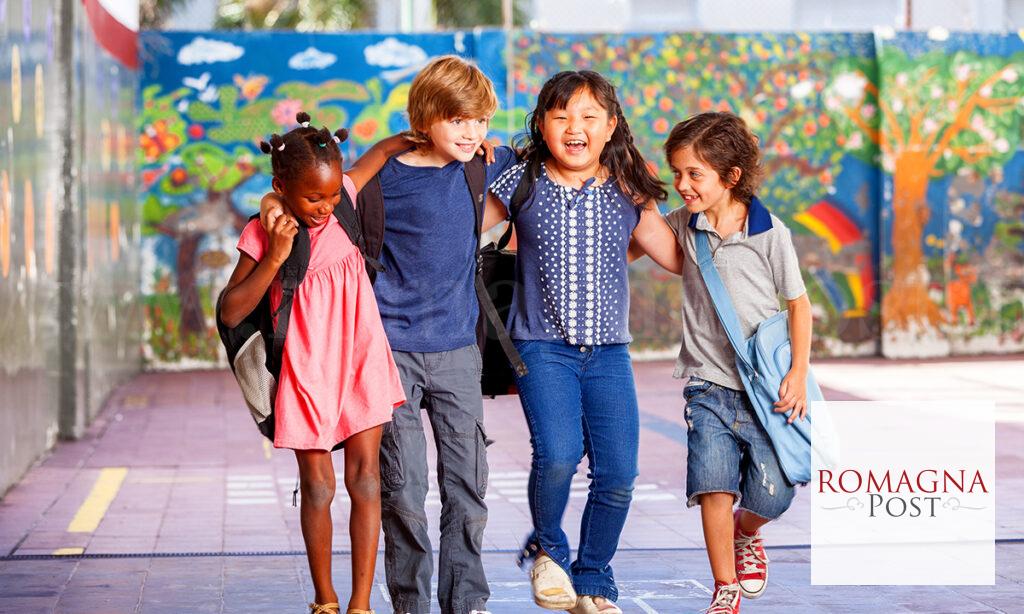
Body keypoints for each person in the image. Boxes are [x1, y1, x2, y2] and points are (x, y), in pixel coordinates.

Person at [262, 55, 516, 614]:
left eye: (479, 120)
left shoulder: (478, 165)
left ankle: (466, 599)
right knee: (404, 493)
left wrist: (489, 146)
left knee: (468, 490)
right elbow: (300, 198)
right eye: (459, 120)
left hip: (456, 351)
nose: (472, 132)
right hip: (389, 353)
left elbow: (535, 156)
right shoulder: (383, 181)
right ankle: (411, 604)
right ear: (426, 118)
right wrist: (269, 202)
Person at [487, 70, 680, 614]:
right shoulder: (520, 180)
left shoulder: (628, 187)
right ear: (542, 126)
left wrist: (722, 209)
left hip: (609, 352)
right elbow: (456, 225)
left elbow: (673, 256)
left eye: (590, 116)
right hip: (540, 346)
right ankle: (549, 551)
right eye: (561, 116)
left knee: (618, 473)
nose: (576, 127)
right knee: (558, 455)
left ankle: (593, 579)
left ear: (611, 125)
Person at [219, 112, 406, 614]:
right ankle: (325, 600)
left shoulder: (341, 195)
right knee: (319, 485)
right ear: (280, 185)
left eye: (330, 196)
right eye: (312, 198)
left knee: (367, 480)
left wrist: (429, 136)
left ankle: (361, 604)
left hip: (361, 352)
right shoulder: (265, 231)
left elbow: (381, 153)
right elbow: (231, 309)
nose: (326, 207)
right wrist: (276, 256)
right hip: (306, 364)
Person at [660, 112, 812, 614]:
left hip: (766, 388)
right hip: (706, 386)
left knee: (773, 495)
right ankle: (724, 587)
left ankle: (749, 532)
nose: (682, 185)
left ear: (732, 176)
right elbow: (635, 239)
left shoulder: (771, 233)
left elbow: (799, 306)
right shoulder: (685, 225)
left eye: (694, 175)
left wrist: (798, 375)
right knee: (713, 487)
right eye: (677, 173)